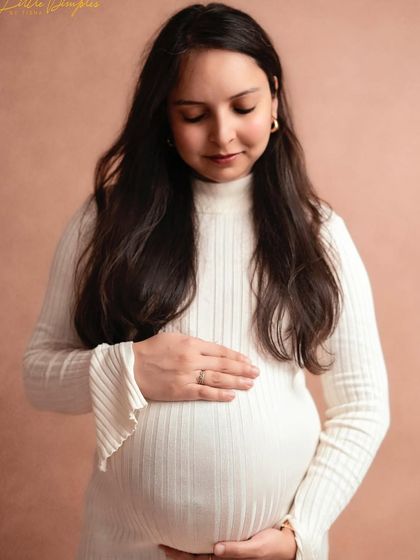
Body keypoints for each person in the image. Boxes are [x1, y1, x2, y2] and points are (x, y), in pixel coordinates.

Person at [22, 3, 390, 560]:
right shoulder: (108, 221)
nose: (223, 136)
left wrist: (299, 534)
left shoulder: (319, 233)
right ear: (164, 118)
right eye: (193, 115)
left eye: (243, 106)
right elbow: (39, 375)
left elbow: (363, 407)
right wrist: (128, 368)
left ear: (273, 99)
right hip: (124, 548)